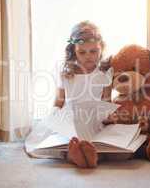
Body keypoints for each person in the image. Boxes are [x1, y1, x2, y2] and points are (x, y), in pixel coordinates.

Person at [25, 21, 114, 168]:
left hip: (95, 118)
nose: (88, 56)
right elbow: (59, 101)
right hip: (70, 117)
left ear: (101, 48)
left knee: (104, 145)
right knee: (64, 139)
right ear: (73, 51)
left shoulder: (105, 72)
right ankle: (73, 154)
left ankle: (90, 153)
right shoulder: (66, 71)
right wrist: (53, 117)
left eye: (93, 51)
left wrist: (109, 117)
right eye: (82, 52)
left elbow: (106, 101)